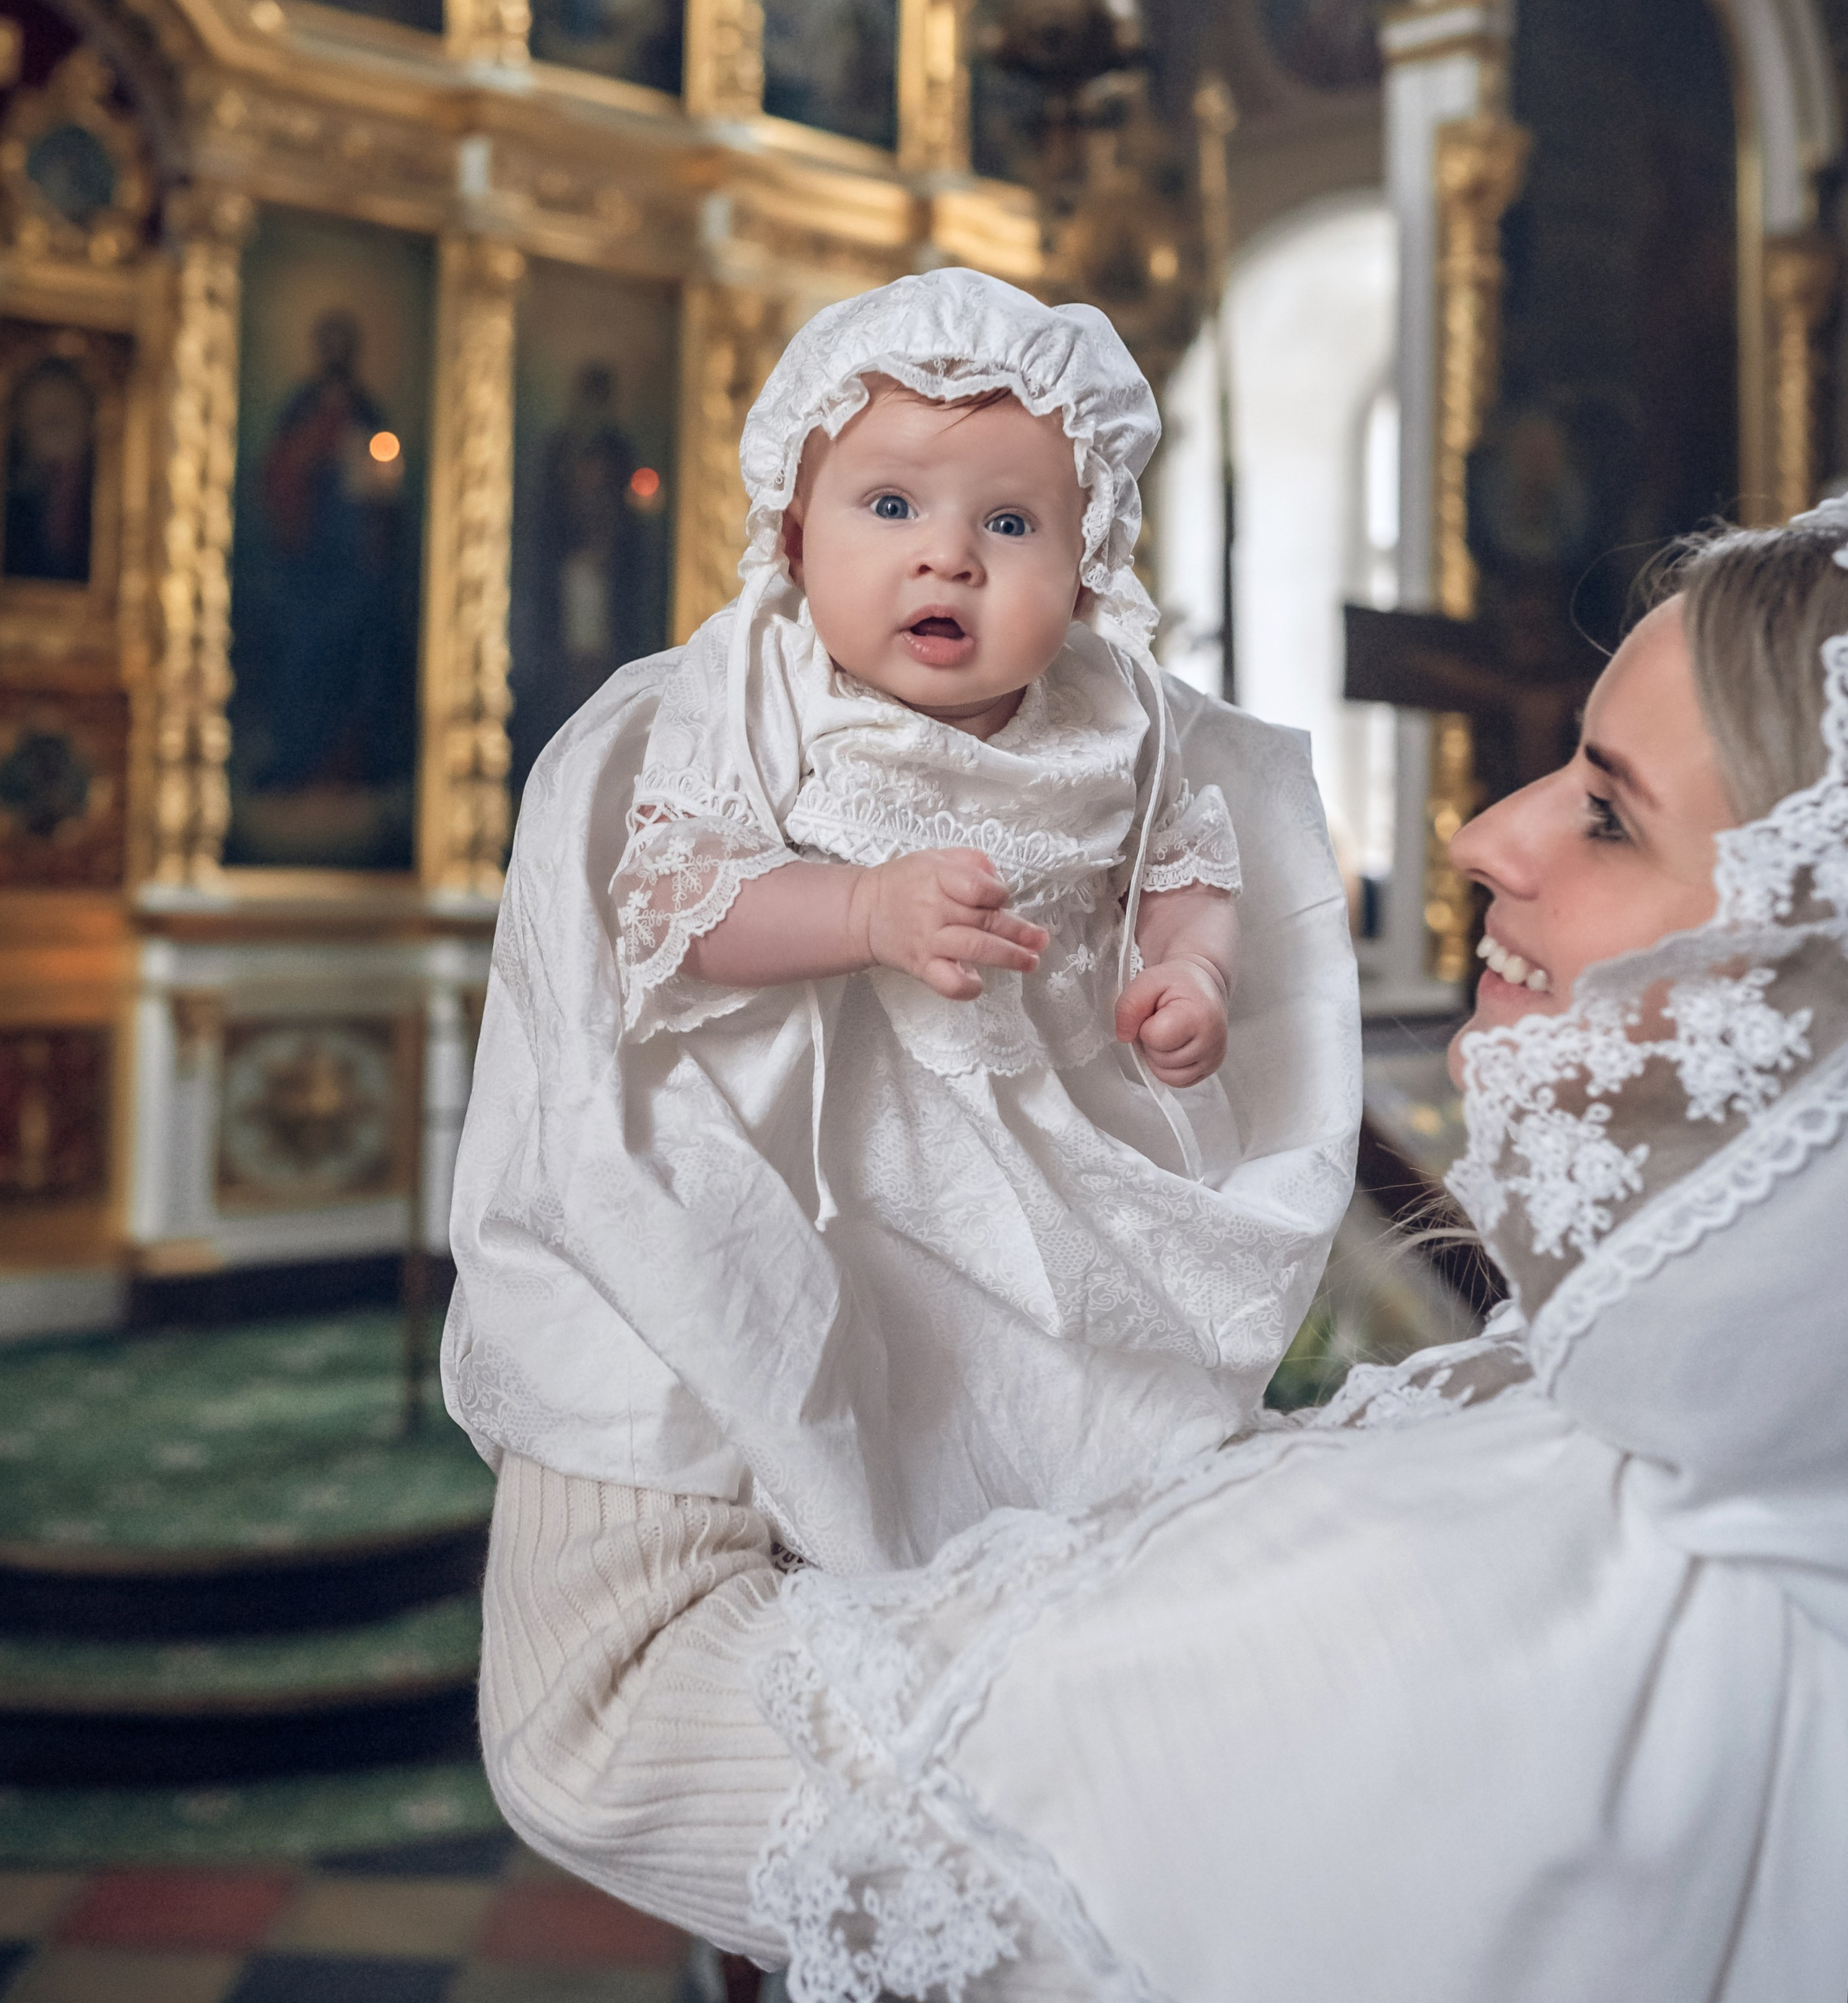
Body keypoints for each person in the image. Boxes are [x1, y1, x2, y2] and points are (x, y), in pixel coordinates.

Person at [466, 508, 1848, 2001]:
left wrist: (646, 1078)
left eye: (1607, 812)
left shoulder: (1479, 1606)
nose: (1483, 833)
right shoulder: (1705, 1467)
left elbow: (602, 1723)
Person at [445, 269, 1357, 1580]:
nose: (949, 555)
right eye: (890, 506)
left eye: (1011, 522)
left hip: (1051, 1134)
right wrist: (864, 906)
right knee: (836, 1378)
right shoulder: (756, 690)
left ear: (1091, 567)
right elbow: (676, 904)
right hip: (817, 1148)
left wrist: (1191, 967)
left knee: (1075, 1404)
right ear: (796, 537)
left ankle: (1053, 1561)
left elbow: (1184, 854)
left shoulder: (1119, 714)